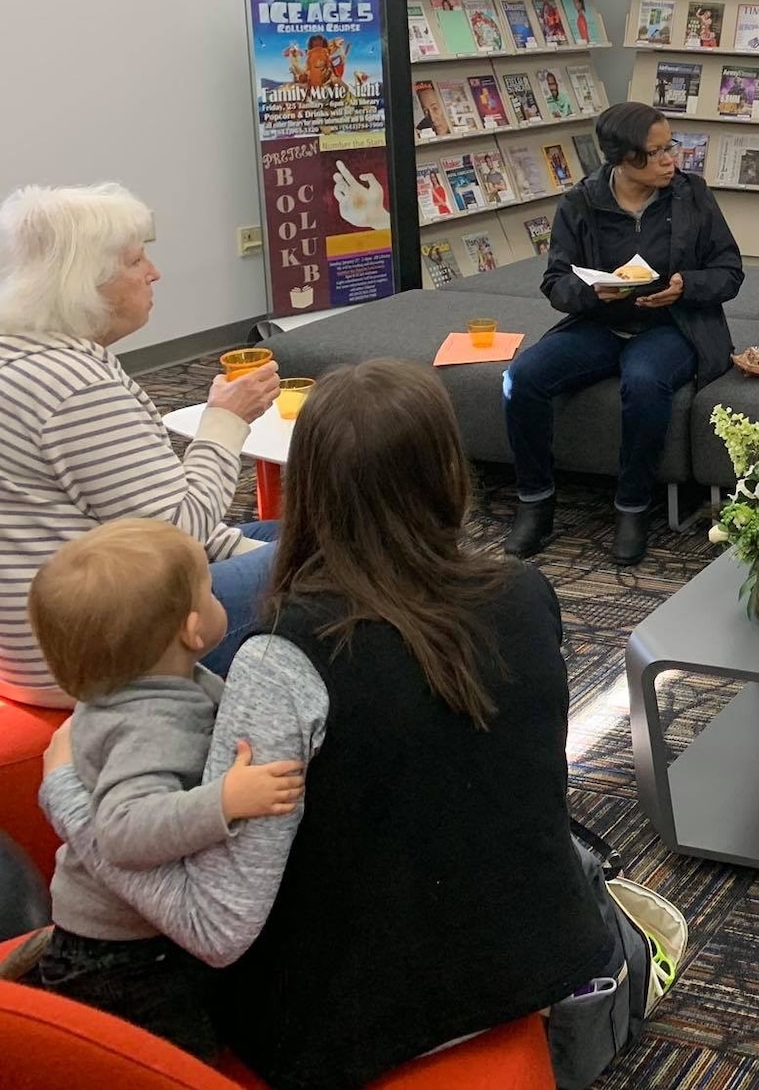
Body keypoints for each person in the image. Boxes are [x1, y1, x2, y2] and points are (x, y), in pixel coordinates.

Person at [38, 360, 607, 1089]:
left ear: (304, 486)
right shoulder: (528, 592)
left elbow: (216, 928)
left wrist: (68, 800)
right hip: (534, 960)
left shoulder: (282, 658)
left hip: (358, 1022)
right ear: (447, 473)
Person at [24, 520, 303, 1059]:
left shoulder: (151, 685)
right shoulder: (150, 724)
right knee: (172, 1060)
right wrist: (223, 801)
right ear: (192, 630)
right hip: (120, 959)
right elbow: (124, 831)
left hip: (129, 940)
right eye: (208, 587)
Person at [0, 184, 281, 707]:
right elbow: (175, 533)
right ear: (83, 284)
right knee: (366, 554)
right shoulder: (75, 387)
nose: (154, 273)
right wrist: (225, 419)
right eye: (136, 260)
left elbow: (135, 515)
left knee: (314, 532)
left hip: (50, 631)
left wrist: (256, 550)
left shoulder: (28, 356)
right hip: (102, 646)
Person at [504, 102, 743, 565]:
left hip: (674, 325)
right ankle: (534, 502)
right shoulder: (581, 202)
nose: (670, 159)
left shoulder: (692, 195)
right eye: (655, 153)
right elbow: (555, 284)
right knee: (522, 379)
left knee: (645, 381)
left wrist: (685, 286)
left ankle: (632, 507)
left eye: (670, 146)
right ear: (622, 158)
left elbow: (729, 271)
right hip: (600, 322)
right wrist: (598, 292)